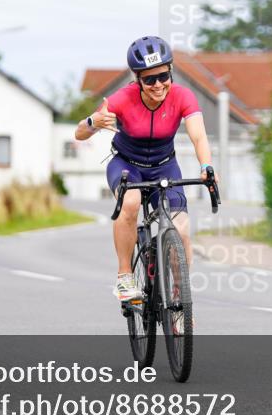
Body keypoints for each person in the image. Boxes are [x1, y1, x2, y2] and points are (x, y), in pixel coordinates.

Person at [75, 35, 216, 302]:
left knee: (182, 229)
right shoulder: (122, 99)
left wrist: (206, 165)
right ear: (138, 79)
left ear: (170, 72)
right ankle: (125, 276)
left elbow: (199, 136)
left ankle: (179, 296)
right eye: (149, 79)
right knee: (130, 203)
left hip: (165, 167)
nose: (158, 85)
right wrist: (93, 121)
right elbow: (80, 134)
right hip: (127, 165)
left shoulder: (183, 96)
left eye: (163, 76)